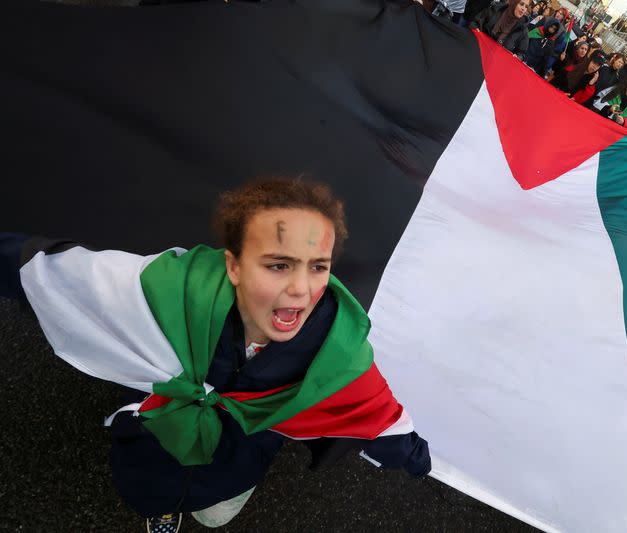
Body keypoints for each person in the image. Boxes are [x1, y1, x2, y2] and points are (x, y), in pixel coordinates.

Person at [0, 178, 431, 533]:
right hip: (158, 440)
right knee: (152, 485)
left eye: (317, 266)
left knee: (216, 506)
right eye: (278, 264)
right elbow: (68, 276)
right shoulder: (170, 292)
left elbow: (377, 416)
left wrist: (414, 457)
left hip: (237, 457)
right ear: (235, 266)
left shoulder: (337, 357)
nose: (302, 290)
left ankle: (211, 496)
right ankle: (164, 505)